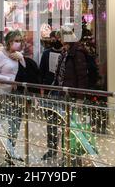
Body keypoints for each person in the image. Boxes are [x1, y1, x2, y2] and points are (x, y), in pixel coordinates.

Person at [0, 31, 26, 159]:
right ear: (9, 41)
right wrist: (9, 80)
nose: (18, 43)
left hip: (16, 94)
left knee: (15, 123)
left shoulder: (18, 54)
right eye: (16, 40)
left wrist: (20, 58)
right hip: (3, 92)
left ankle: (10, 151)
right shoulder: (1, 55)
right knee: (11, 121)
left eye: (20, 41)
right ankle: (9, 151)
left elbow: (25, 70)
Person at [39, 31, 63, 161]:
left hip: (63, 94)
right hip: (49, 92)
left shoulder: (66, 54)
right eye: (55, 38)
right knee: (51, 122)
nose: (57, 40)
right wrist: (42, 90)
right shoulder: (46, 53)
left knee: (65, 123)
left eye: (59, 38)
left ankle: (66, 151)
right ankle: (51, 149)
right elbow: (41, 72)